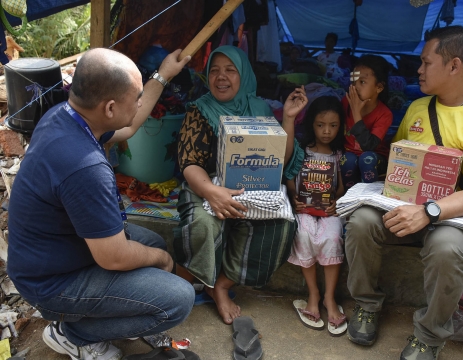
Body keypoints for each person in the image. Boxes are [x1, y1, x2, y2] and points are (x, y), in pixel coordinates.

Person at [7, 48, 194, 360]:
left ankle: (114, 316)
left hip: (50, 256)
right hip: (51, 283)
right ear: (109, 108)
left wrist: (162, 76)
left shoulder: (64, 116)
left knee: (152, 241)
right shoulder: (85, 167)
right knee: (178, 298)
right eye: (134, 98)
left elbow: (130, 126)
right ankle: (71, 334)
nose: (138, 103)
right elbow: (114, 258)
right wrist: (162, 261)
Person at [345, 25, 463, 360]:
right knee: (361, 220)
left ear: (454, 66)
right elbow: (399, 157)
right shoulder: (419, 108)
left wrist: (429, 211)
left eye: (425, 62)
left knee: (447, 248)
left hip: (448, 215)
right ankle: (366, 304)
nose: (418, 70)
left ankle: (429, 335)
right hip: (403, 206)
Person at [174, 45, 306, 324]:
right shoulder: (200, 110)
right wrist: (212, 193)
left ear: (243, 75)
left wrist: (289, 119)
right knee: (202, 223)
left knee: (281, 223)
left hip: (249, 189)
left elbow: (277, 161)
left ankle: (220, 285)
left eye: (230, 70)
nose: (221, 77)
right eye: (215, 70)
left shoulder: (258, 109)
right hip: (204, 187)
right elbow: (189, 163)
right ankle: (178, 285)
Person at [286, 96, 347, 336]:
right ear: (311, 123)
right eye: (321, 124)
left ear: (340, 126)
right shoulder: (302, 151)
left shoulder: (339, 154)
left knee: (332, 238)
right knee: (302, 234)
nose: (326, 131)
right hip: (304, 208)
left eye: (333, 125)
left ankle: (329, 299)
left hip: (328, 209)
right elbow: (290, 177)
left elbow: (341, 187)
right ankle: (313, 294)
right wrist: (294, 197)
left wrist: (336, 202)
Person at [340, 55, 393, 189]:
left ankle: (368, 198)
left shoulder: (384, 114)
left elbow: (369, 146)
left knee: (366, 159)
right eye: (353, 82)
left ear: (379, 87)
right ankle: (348, 198)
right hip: (350, 154)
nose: (355, 87)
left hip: (375, 156)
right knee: (348, 159)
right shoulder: (345, 103)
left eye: (362, 82)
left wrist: (356, 112)